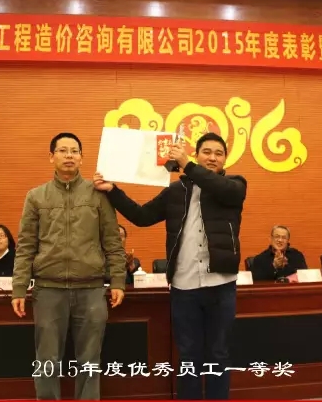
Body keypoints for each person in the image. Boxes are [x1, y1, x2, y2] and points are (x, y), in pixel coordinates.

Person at [94, 132, 247, 400]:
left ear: (225, 160)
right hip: (184, 287)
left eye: (218, 153)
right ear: (197, 154)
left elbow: (222, 188)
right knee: (188, 356)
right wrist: (113, 191)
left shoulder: (234, 185)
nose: (212, 157)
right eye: (206, 152)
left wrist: (187, 164)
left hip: (221, 285)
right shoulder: (176, 191)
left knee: (218, 354)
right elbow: (142, 216)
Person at [11, 132, 126, 401]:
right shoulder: (36, 197)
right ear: (51, 157)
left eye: (74, 151)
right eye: (62, 150)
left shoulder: (98, 195)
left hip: (91, 289)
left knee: (90, 360)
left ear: (82, 158)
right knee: (47, 359)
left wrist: (118, 281)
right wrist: (19, 287)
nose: (69, 156)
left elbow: (112, 241)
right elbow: (25, 246)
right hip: (48, 290)